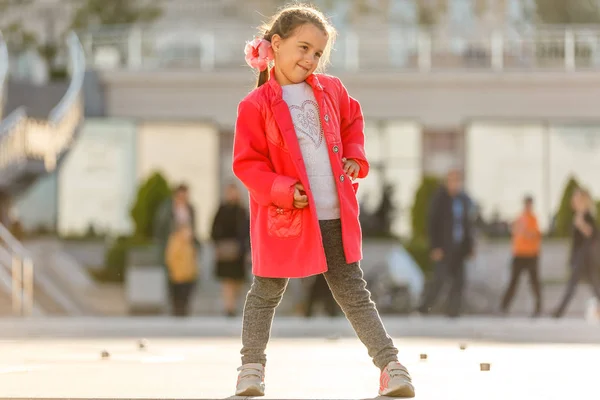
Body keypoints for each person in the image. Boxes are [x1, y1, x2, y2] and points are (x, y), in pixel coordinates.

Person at [231, 4, 414, 398]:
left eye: (317, 53)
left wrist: (355, 155)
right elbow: (248, 165)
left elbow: (353, 120)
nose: (310, 59)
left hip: (333, 214)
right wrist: (282, 190)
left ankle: (392, 367)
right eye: (303, 48)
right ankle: (250, 371)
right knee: (265, 293)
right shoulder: (255, 105)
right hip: (286, 216)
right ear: (275, 45)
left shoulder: (332, 90)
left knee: (353, 291)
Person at [417, 168, 474, 318]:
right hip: (443, 247)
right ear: (447, 182)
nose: (455, 184)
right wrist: (435, 247)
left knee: (459, 281)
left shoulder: (463, 200)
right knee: (439, 280)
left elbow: (468, 224)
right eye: (452, 180)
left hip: (459, 247)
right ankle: (423, 309)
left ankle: (453, 312)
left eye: (458, 181)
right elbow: (432, 224)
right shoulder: (439, 199)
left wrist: (470, 246)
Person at [552, 188, 600, 318]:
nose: (574, 201)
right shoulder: (578, 215)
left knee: (575, 285)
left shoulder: (588, 215)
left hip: (586, 257)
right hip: (580, 255)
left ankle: (559, 312)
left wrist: (581, 224)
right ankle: (559, 311)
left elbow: (592, 234)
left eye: (577, 198)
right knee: (594, 286)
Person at [154, 183, 199, 316]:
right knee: (174, 276)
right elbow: (161, 227)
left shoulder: (190, 209)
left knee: (189, 276)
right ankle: (176, 306)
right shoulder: (168, 209)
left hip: (188, 246)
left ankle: (184, 306)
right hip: (173, 246)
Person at [211, 182, 250, 317]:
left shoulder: (242, 210)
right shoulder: (222, 210)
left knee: (238, 280)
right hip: (225, 251)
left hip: (238, 251)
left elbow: (247, 231)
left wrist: (247, 250)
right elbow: (214, 229)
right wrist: (217, 245)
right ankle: (229, 307)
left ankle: (233, 304)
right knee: (227, 281)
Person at [500, 196, 542, 317]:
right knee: (513, 282)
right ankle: (504, 306)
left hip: (531, 255)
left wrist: (526, 232)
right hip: (519, 254)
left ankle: (538, 308)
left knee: (534, 283)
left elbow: (534, 235)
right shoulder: (519, 218)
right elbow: (514, 232)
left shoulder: (534, 219)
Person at [165, 224, 198, 316]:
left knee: (186, 296)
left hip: (189, 275)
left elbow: (193, 259)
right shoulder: (175, 242)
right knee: (178, 296)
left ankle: (183, 312)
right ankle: (178, 312)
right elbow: (171, 258)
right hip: (178, 275)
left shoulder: (190, 244)